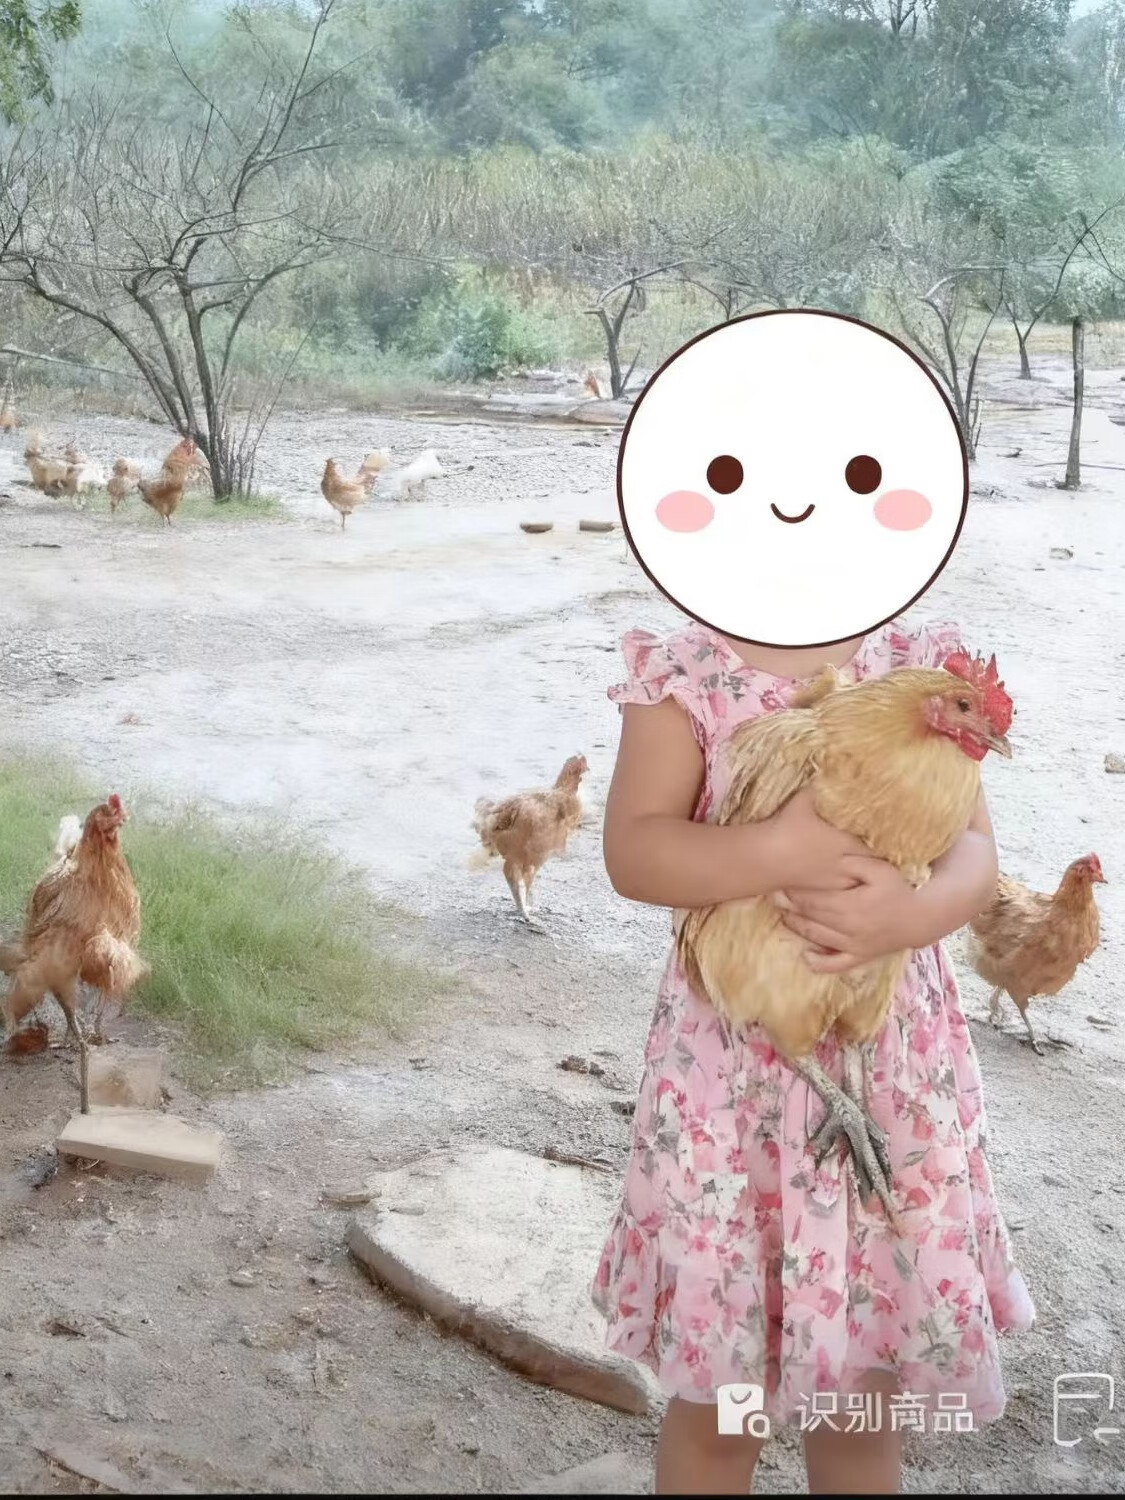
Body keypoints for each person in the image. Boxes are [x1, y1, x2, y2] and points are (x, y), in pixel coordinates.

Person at [591, 617, 1035, 1495]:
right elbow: (633, 852)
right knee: (721, 1416)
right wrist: (778, 850)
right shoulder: (684, 671)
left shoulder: (916, 662)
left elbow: (976, 853)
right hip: (734, 1085)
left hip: (887, 1073)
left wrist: (915, 912)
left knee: (860, 1414)